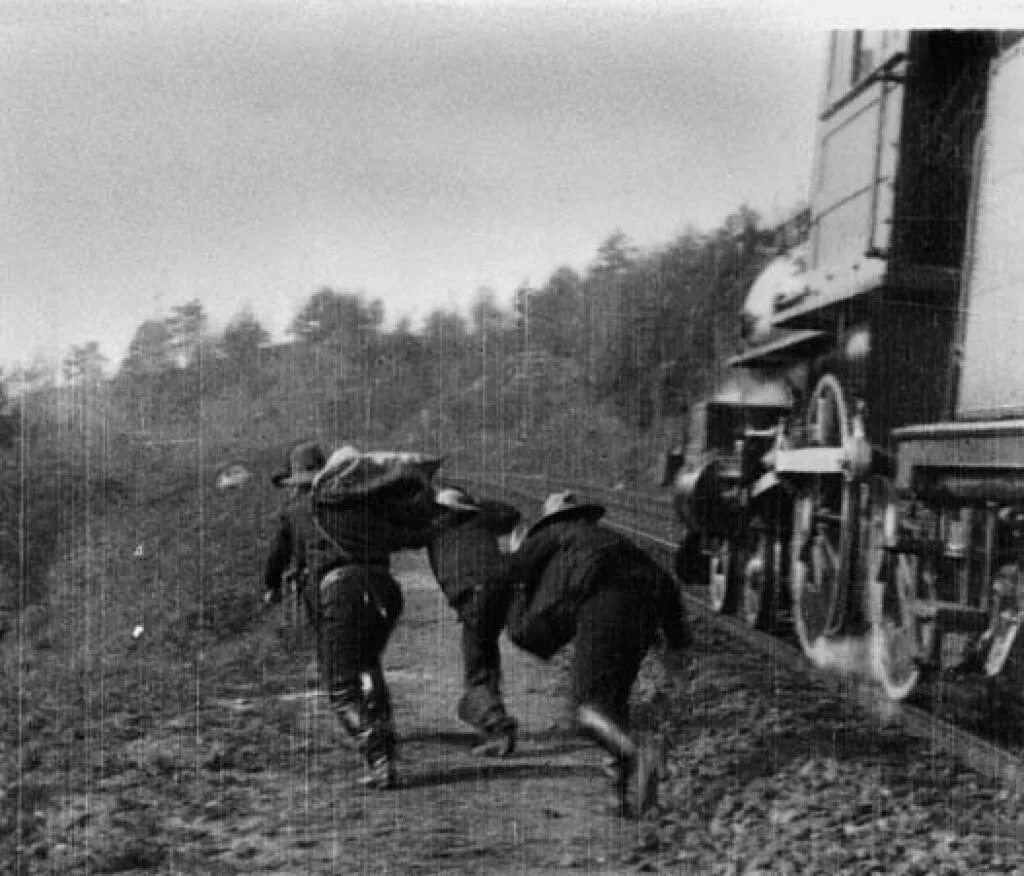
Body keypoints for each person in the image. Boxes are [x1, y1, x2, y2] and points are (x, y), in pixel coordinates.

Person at [263, 441, 438, 790]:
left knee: (342, 688)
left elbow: (278, 558)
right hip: (384, 589)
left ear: (298, 479)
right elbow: (408, 530)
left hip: (340, 593)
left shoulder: (296, 511)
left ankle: (378, 757)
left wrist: (271, 587)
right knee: (367, 665)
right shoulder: (361, 499)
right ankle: (385, 739)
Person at [505, 490, 691, 817]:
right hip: (646, 612)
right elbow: (666, 582)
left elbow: (512, 571)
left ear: (551, 520)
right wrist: (676, 642)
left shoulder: (551, 535)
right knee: (612, 700)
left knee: (585, 709)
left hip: (606, 607)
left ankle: (637, 753)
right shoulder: (614, 540)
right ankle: (621, 796)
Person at [426, 485, 522, 756]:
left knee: (477, 662)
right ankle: (493, 721)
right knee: (485, 650)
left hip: (474, 593)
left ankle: (498, 727)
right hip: (501, 587)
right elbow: (511, 513)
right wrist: (477, 505)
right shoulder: (482, 519)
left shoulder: (433, 526)